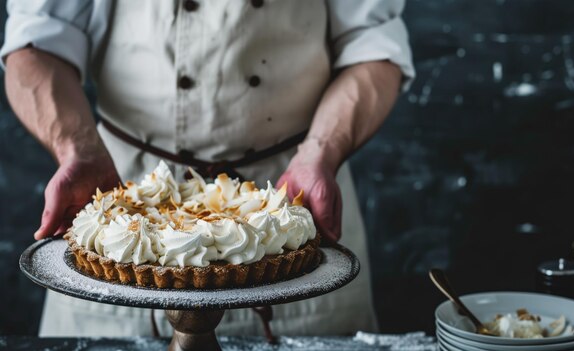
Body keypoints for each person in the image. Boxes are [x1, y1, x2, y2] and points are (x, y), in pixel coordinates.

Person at [1, 0, 414, 337]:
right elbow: (38, 39)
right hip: (122, 209)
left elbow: (373, 44)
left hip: (293, 199)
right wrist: (78, 151)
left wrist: (320, 153)